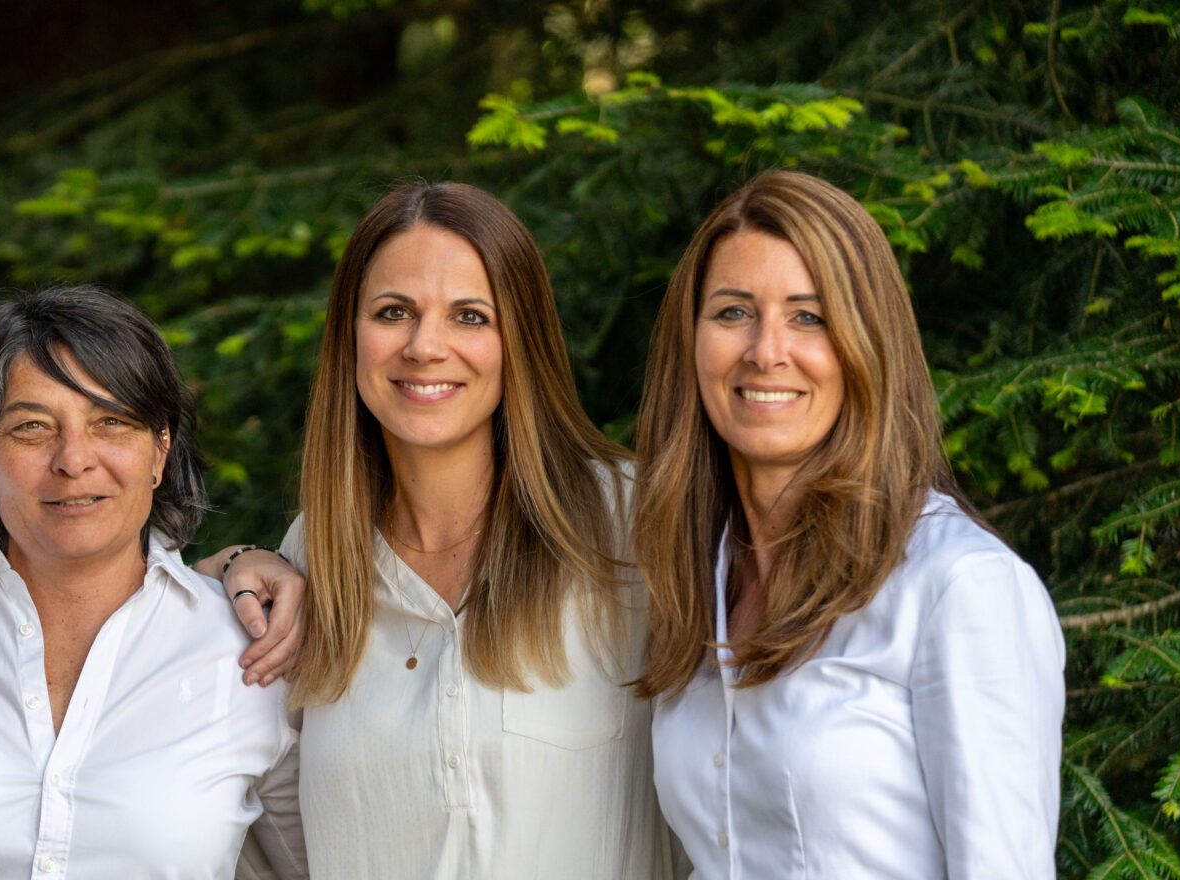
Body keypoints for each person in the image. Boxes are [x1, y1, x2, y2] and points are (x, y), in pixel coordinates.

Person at [633, 170, 1064, 878]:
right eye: (734, 312)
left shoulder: (959, 588)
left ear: (867, 342)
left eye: (810, 316)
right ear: (692, 341)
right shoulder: (692, 586)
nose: (766, 351)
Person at [279, 181, 675, 878]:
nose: (425, 346)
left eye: (469, 316)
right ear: (350, 332)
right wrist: (232, 564)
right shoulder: (313, 557)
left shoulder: (633, 528)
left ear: (519, 339)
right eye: (393, 311)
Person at [0, 285, 306, 878]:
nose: (74, 459)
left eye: (112, 422)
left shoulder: (250, 653)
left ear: (159, 453)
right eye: (32, 428)